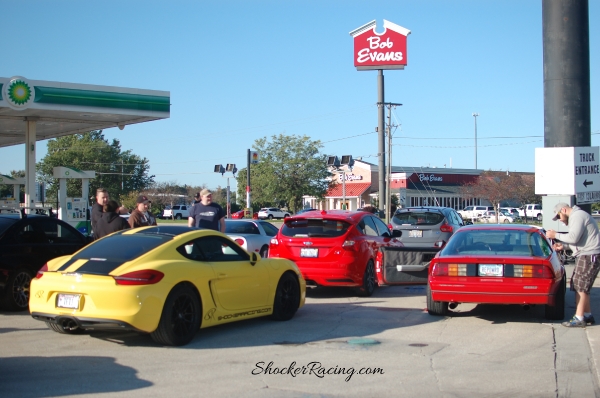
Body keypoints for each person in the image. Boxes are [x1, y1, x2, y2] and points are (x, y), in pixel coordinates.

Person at [546, 203, 600, 327]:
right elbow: (579, 240)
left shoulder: (577, 216)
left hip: (589, 255)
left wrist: (555, 235)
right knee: (580, 285)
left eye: (559, 216)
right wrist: (563, 246)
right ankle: (587, 315)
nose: (560, 220)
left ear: (563, 210)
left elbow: (573, 238)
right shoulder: (578, 216)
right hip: (586, 254)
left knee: (580, 286)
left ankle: (579, 317)